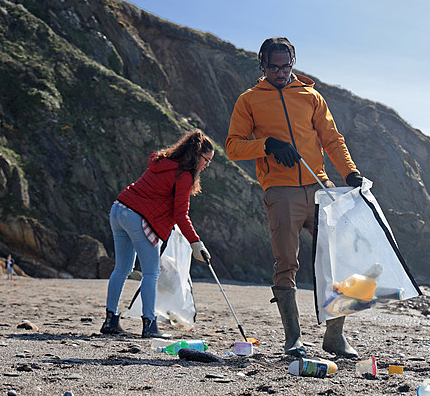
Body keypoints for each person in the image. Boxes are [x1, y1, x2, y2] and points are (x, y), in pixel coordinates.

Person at [226, 37, 364, 359]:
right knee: (286, 263)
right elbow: (233, 147)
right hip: (280, 189)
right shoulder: (249, 100)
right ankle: (294, 339)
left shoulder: (311, 97)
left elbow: (332, 139)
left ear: (293, 62)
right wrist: (267, 144)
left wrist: (350, 173)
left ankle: (335, 336)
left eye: (285, 66)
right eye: (273, 67)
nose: (279, 72)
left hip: (321, 187)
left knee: (341, 258)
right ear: (262, 65)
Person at [101, 129, 213, 338]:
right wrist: (195, 242)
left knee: (122, 268)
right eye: (206, 160)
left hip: (118, 209)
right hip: (136, 216)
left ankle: (110, 320)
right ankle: (150, 325)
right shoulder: (184, 175)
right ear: (196, 155)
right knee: (151, 273)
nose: (207, 165)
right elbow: (181, 214)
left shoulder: (162, 162)